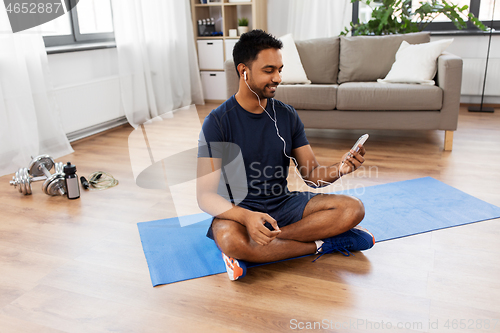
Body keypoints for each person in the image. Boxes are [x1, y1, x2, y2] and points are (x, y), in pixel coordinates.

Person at [197, 30, 374, 281]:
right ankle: (323, 243)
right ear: (243, 71)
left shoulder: (287, 115)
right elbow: (205, 196)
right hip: (239, 211)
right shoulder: (217, 122)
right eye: (269, 70)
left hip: (282, 205)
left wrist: (340, 168)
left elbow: (312, 175)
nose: (278, 78)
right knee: (229, 239)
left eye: (280, 69)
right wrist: (246, 217)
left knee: (352, 208)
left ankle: (259, 248)